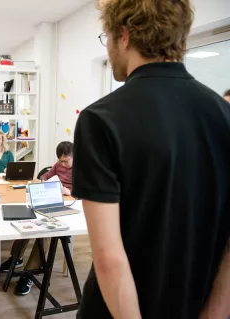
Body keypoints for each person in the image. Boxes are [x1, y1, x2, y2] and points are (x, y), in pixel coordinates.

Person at [72, 1, 230, 318]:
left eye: (107, 39)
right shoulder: (224, 115)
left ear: (125, 35)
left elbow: (110, 259)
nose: (109, 51)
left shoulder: (101, 119)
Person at [0, 142, 74, 296]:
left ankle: (30, 272)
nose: (63, 164)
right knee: (26, 219)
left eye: (66, 161)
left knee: (45, 232)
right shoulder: (59, 164)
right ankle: (16, 257)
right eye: (61, 161)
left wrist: (67, 190)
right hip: (51, 199)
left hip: (70, 204)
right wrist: (42, 181)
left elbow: (85, 192)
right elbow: (45, 176)